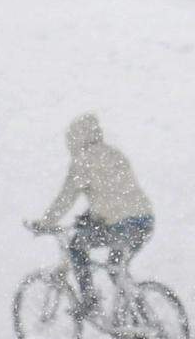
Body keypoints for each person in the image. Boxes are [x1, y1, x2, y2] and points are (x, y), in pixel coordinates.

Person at [27, 113, 154, 318]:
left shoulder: (83, 160)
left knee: (76, 245)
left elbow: (66, 197)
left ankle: (90, 299)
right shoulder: (115, 154)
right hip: (144, 221)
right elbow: (115, 194)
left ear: (76, 138)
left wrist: (46, 222)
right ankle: (144, 321)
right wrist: (92, 216)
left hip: (121, 225)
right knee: (116, 269)